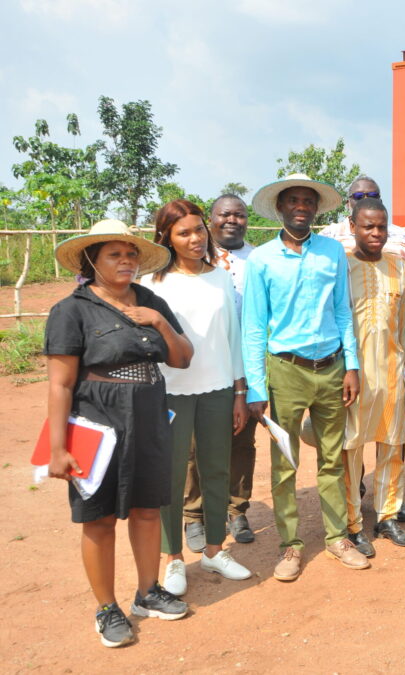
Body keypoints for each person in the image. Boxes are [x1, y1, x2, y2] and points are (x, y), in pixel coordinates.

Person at [45, 219, 193, 647]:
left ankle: (148, 591)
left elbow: (182, 359)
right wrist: (58, 447)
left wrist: (159, 323)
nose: (126, 261)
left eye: (131, 254)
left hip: (148, 413)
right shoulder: (71, 311)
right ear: (92, 260)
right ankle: (106, 608)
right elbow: (59, 383)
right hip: (95, 418)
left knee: (148, 509)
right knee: (100, 517)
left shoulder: (150, 300)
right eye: (115, 254)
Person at [244, 173, 369, 580]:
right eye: (293, 200)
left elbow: (342, 311)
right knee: (285, 462)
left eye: (308, 201)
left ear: (316, 209)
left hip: (331, 368)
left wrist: (351, 365)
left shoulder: (332, 252)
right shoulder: (262, 260)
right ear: (280, 207)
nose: (301, 206)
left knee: (333, 458)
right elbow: (254, 328)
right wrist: (257, 387)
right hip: (285, 371)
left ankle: (337, 538)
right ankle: (291, 546)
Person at [141, 200, 253, 597]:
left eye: (198, 230)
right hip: (170, 392)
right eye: (183, 232)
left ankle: (214, 550)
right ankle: (173, 559)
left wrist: (240, 392)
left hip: (219, 389)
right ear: (167, 238)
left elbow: (233, 339)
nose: (194, 238)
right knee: (171, 477)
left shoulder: (221, 277)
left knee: (216, 470)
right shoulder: (153, 284)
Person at [342, 197, 405, 550]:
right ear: (352, 226)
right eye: (368, 226)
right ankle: (353, 524)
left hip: (391, 373)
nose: (376, 233)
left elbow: (404, 327)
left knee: (392, 447)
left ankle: (387, 517)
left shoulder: (401, 269)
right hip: (355, 377)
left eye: (381, 227)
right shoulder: (342, 268)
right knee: (351, 449)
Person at [183, 194, 258, 551]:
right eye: (224, 214)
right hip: (202, 363)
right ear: (210, 220)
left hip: (247, 364)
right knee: (195, 444)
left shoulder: (258, 259)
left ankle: (236, 509)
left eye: (239, 215)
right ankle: (194, 515)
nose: (232, 220)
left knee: (242, 441)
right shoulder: (196, 256)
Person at [321, 175, 405, 259]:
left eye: (372, 195)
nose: (366, 200)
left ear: (380, 201)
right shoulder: (330, 235)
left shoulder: (401, 235)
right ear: (348, 204)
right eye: (358, 196)